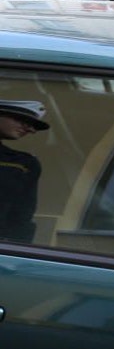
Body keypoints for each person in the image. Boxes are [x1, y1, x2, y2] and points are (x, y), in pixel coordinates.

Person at [0, 100, 49, 244]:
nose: (30, 129)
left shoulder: (23, 164)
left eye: (31, 124)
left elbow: (21, 219)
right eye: (21, 119)